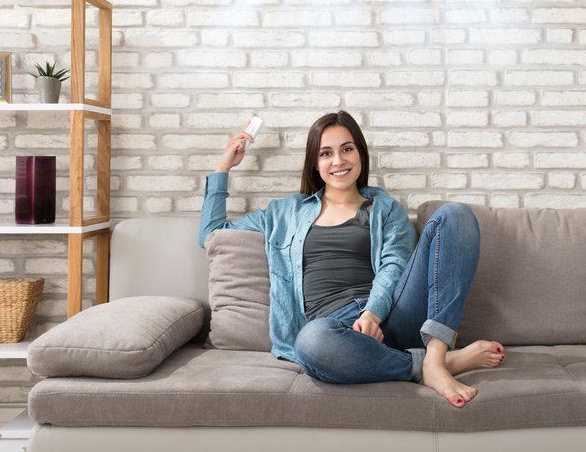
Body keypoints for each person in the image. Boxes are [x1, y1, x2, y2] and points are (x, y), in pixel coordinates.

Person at [199, 111, 504, 407]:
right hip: (335, 331)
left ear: (360, 154)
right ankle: (427, 364)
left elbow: (394, 266)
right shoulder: (285, 212)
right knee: (312, 342)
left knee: (455, 215)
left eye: (347, 149)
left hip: (393, 315)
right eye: (326, 153)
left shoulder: (384, 208)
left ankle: (436, 358)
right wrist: (223, 168)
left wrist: (371, 314)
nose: (338, 161)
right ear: (315, 164)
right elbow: (212, 235)